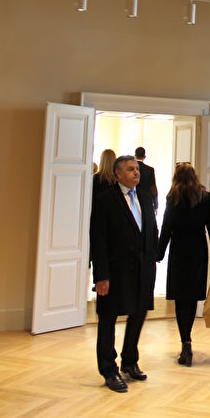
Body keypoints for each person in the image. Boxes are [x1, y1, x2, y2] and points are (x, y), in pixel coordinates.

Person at [90, 155, 158, 392]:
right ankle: (109, 370)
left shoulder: (145, 198)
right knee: (108, 318)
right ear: (118, 174)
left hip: (143, 269)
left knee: (139, 314)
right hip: (115, 271)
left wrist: (153, 258)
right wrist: (101, 275)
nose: (136, 173)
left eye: (136, 169)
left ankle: (129, 360)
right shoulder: (105, 200)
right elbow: (98, 238)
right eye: (130, 169)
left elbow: (151, 230)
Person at [157, 162, 210, 367]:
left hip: (179, 251)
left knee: (180, 299)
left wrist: (159, 253)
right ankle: (187, 341)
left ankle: (185, 341)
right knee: (192, 297)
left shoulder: (172, 198)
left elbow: (166, 228)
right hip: (198, 251)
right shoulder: (205, 197)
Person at [135, 146, 158, 212]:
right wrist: (155, 205)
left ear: (135, 156)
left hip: (133, 200)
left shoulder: (131, 169)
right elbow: (153, 188)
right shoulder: (150, 170)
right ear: (144, 157)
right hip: (146, 202)